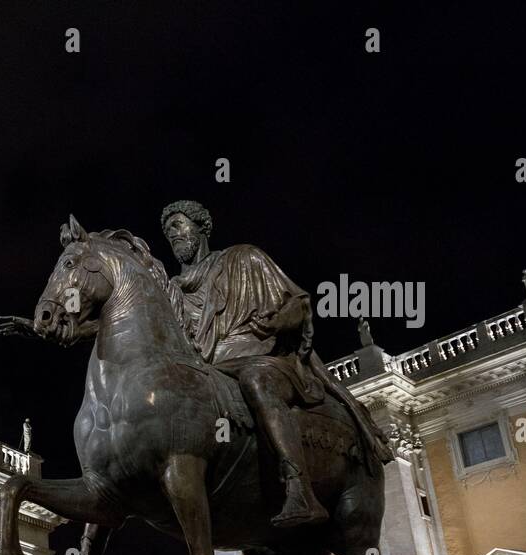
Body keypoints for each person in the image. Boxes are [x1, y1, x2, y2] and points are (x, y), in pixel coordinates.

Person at [160, 199, 391, 527]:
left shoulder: (245, 258)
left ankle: (298, 487)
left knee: (256, 382)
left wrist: (275, 321)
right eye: (168, 232)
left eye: (178, 225)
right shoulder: (173, 291)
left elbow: (295, 305)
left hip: (261, 359)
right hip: (211, 371)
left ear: (200, 226)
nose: (173, 235)